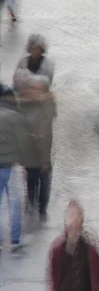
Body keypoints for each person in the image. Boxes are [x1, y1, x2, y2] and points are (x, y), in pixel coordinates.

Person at [15, 71, 57, 221]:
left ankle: (42, 208)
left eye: (36, 87)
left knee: (44, 181)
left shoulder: (47, 103)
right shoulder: (25, 103)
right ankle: (31, 202)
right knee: (31, 179)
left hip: (43, 149)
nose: (33, 90)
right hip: (29, 151)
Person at [0, 104, 32, 253]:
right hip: (11, 166)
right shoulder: (14, 117)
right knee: (15, 202)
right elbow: (23, 141)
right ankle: (15, 238)